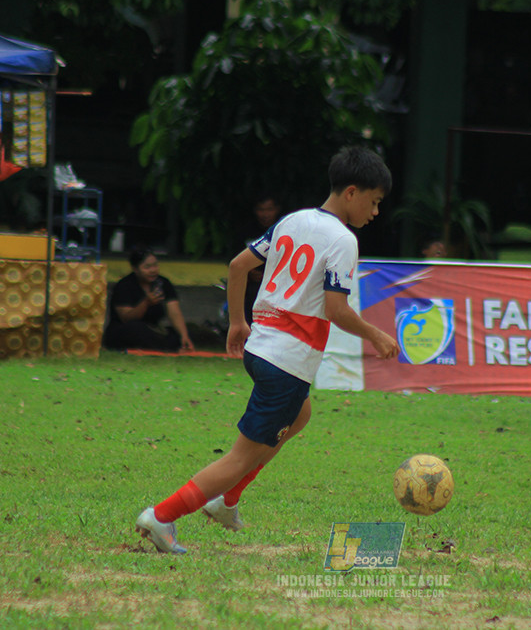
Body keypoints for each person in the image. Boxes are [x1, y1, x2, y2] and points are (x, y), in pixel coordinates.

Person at [134, 145, 400, 554]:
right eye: (375, 201)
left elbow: (239, 265)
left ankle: (228, 501)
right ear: (352, 192)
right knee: (241, 456)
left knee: (301, 414)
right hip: (288, 362)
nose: (376, 212)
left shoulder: (293, 220)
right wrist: (377, 335)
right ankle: (162, 517)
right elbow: (336, 309)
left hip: (261, 348)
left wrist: (238, 321)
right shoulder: (344, 241)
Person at [103, 246, 196, 352]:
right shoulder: (124, 285)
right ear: (135, 269)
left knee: (180, 332)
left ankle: (177, 345)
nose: (153, 270)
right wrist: (146, 303)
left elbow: (174, 312)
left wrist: (184, 335)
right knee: (136, 329)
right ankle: (167, 348)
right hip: (127, 329)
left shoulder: (163, 283)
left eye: (155, 266)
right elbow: (126, 318)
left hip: (151, 329)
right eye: (147, 267)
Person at [238, 194, 283, 325]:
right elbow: (235, 261)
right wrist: (249, 271)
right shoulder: (246, 231)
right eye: (261, 210)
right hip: (252, 288)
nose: (265, 214)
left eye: (269, 209)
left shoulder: (283, 231)